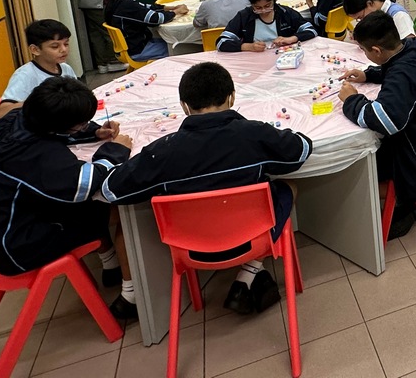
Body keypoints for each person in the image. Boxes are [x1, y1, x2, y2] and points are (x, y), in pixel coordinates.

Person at [100, 62, 312, 317]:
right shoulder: (254, 134)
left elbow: (112, 189)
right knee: (288, 186)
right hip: (254, 239)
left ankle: (246, 274)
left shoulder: (162, 151)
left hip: (189, 248)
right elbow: (301, 149)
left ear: (184, 106)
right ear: (232, 97)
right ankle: (250, 270)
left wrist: (114, 150)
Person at [0, 77, 131, 279]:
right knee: (111, 208)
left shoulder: (19, 118)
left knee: (87, 206)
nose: (84, 126)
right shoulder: (36, 152)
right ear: (56, 127)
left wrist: (94, 132)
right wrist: (116, 150)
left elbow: (57, 132)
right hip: (15, 248)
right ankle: (129, 288)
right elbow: (83, 185)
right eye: (81, 124)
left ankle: (111, 264)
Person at [337, 11, 416, 239]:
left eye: (364, 50)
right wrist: (369, 74)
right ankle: (405, 202)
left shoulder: (402, 75)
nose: (364, 54)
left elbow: (386, 122)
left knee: (355, 164)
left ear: (376, 51)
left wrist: (352, 100)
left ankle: (404, 203)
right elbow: (396, 67)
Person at [0, 20, 80, 122]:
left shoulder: (66, 68)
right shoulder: (24, 75)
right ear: (35, 50)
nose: (63, 50)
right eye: (55, 46)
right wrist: (37, 102)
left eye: (66, 44)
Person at [105, 0, 188, 61]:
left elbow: (144, 7)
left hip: (131, 45)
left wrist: (170, 7)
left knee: (171, 41)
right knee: (182, 47)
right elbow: (156, 19)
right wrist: (176, 12)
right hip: (138, 50)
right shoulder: (127, 5)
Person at [217, 0, 317, 52]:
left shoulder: (285, 12)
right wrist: (248, 46)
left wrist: (291, 39)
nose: (264, 10)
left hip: (284, 56)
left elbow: (311, 30)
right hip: (254, 60)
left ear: (273, 0)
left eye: (267, 6)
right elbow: (221, 42)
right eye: (258, 8)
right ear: (252, 5)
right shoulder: (244, 16)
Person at [343, 0, 416, 39]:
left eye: (361, 17)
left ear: (369, 4)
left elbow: (410, 43)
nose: (362, 21)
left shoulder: (398, 15)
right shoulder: (376, 15)